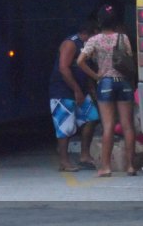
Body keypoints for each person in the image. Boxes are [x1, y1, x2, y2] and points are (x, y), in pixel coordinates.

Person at [77, 4, 136, 177]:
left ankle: (105, 167)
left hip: (106, 83)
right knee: (128, 125)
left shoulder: (94, 40)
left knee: (108, 125)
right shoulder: (123, 38)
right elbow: (129, 60)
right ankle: (131, 166)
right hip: (123, 83)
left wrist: (96, 76)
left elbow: (80, 61)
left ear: (99, 21)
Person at [48, 20, 100, 172]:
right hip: (63, 91)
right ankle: (64, 161)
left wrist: (90, 90)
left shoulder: (87, 47)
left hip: (81, 91)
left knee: (92, 117)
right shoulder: (71, 44)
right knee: (65, 126)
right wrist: (76, 90)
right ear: (86, 34)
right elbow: (63, 68)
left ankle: (85, 155)